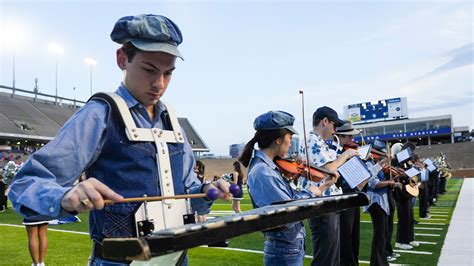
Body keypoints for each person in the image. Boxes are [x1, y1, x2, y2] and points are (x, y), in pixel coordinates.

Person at [8, 14, 230, 265]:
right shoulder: (99, 114)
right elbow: (24, 184)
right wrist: (64, 197)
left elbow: (188, 188)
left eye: (168, 73)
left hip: (177, 258)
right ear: (122, 59)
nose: (159, 84)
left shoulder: (172, 121)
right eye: (149, 69)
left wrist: (205, 192)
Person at [239, 110, 337, 266]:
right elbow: (288, 212)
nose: (291, 142)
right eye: (289, 138)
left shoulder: (269, 167)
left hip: (288, 246)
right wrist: (312, 191)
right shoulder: (263, 171)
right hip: (284, 248)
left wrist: (322, 185)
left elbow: (286, 198)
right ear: (278, 140)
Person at [299, 106, 358, 266]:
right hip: (322, 203)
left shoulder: (320, 141)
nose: (335, 130)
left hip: (329, 202)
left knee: (333, 255)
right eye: (334, 125)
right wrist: (346, 155)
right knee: (326, 257)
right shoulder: (311, 139)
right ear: (325, 121)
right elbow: (327, 169)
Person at [332, 121, 361, 266]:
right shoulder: (334, 153)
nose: (351, 140)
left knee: (354, 237)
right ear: (340, 136)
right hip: (343, 198)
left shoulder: (346, 151)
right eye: (349, 136)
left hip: (353, 196)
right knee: (345, 238)